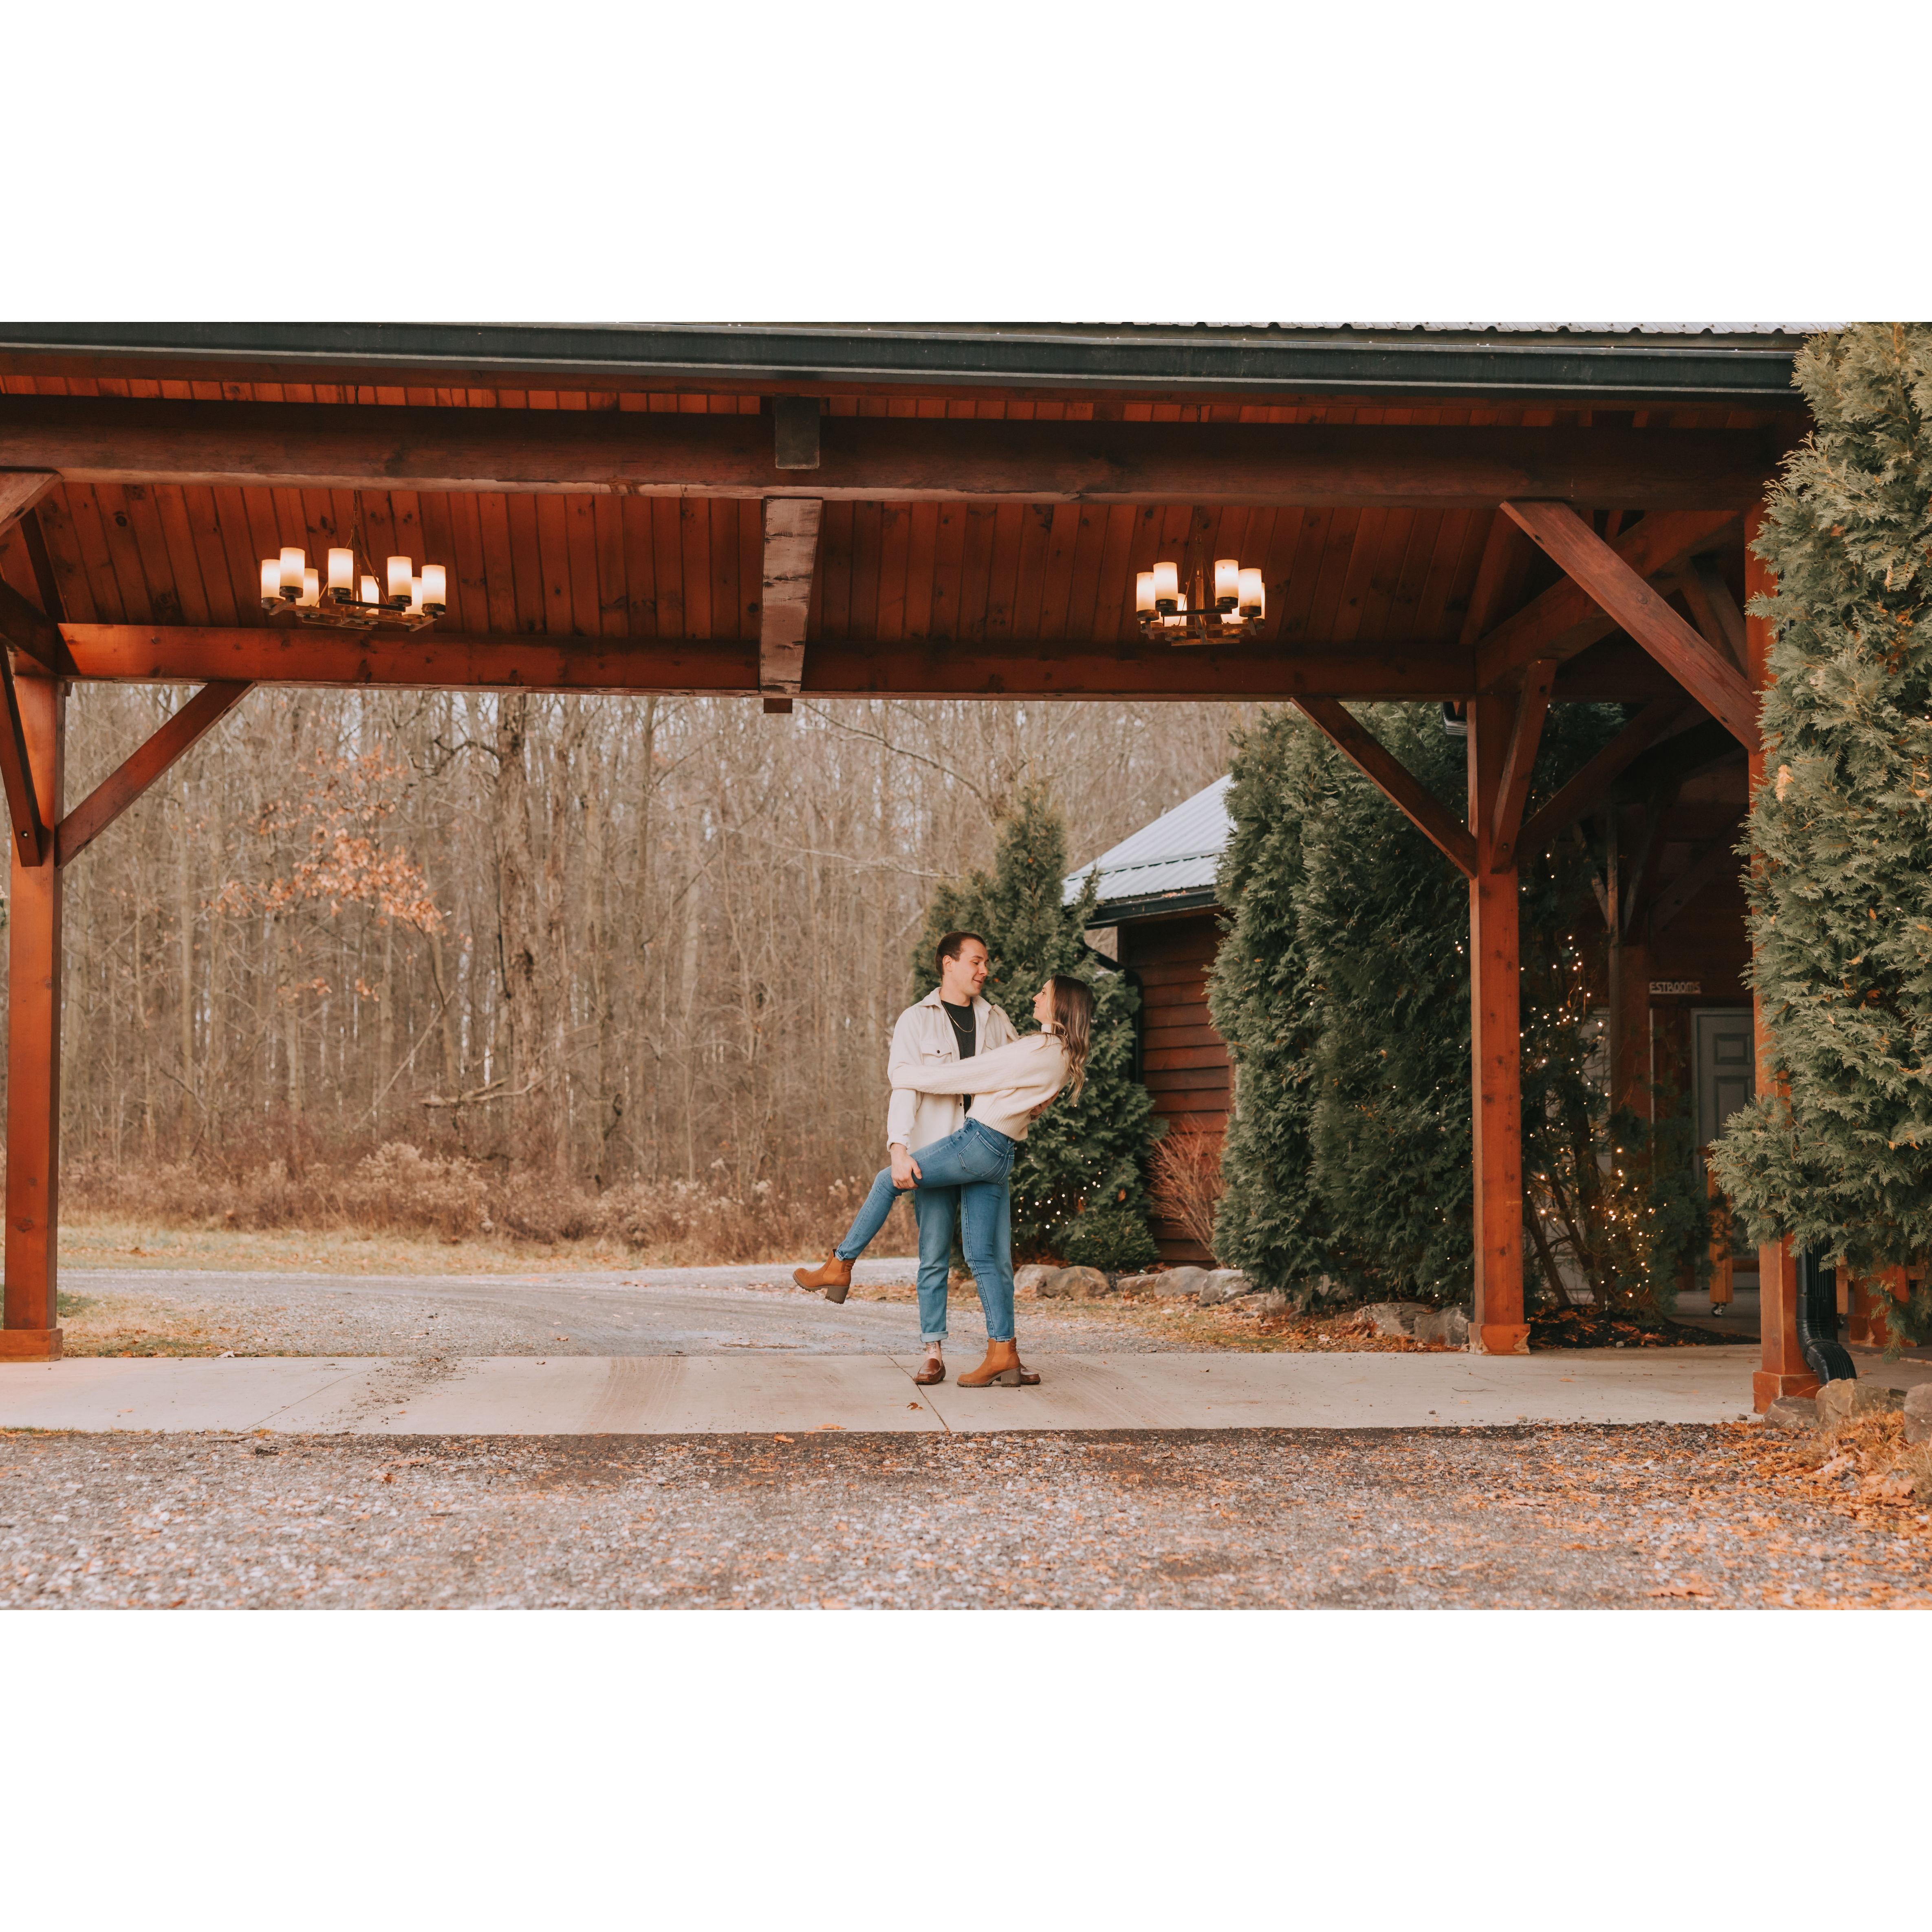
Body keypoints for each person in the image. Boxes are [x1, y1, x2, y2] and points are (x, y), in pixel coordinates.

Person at [796, 972, 1093, 1389]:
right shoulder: (1058, 1053)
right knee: (982, 1256)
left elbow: (970, 1074)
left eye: (1044, 993)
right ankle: (1003, 1353)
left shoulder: (1038, 1048)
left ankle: (839, 1265)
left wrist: (905, 1076)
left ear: (1061, 1004)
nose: (1035, 996)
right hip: (1000, 1153)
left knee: (889, 1178)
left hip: (978, 1143)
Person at [795, 931, 1016, 1379]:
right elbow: (904, 1087)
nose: (984, 970)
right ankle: (933, 1350)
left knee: (996, 1259)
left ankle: (1006, 1350)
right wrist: (899, 1148)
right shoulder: (916, 1020)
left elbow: (1021, 1072)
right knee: (933, 1256)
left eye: (985, 962)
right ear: (949, 964)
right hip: (934, 1151)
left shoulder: (996, 1019)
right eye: (976, 961)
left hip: (982, 1150)